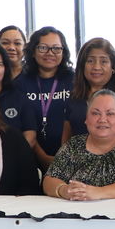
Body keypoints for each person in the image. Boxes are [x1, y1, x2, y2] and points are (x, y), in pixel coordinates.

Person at [43, 90, 115, 201]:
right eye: (95, 113)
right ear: (86, 118)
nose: (102, 119)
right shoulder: (73, 145)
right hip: (78, 217)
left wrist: (98, 193)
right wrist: (64, 190)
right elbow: (49, 180)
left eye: (110, 113)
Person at [14, 26, 74, 170]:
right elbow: (21, 126)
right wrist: (42, 157)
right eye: (43, 48)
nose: (50, 53)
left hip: (72, 157)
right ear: (33, 51)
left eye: (56, 48)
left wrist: (63, 156)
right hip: (31, 157)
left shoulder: (75, 80)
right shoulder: (20, 83)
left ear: (63, 52)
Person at [62, 38, 115, 145]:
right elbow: (65, 143)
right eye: (90, 61)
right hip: (79, 160)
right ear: (82, 66)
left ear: (113, 67)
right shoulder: (74, 97)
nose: (96, 67)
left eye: (104, 61)